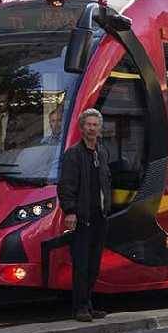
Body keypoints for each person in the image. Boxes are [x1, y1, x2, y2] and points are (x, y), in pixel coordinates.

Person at [58, 108, 112, 322]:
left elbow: (106, 182)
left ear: (100, 129)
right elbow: (66, 185)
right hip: (82, 217)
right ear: (82, 128)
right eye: (88, 125)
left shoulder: (102, 152)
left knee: (94, 264)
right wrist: (70, 211)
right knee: (81, 264)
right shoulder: (74, 154)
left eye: (95, 125)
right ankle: (79, 307)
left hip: (100, 216)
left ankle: (88, 304)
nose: (91, 128)